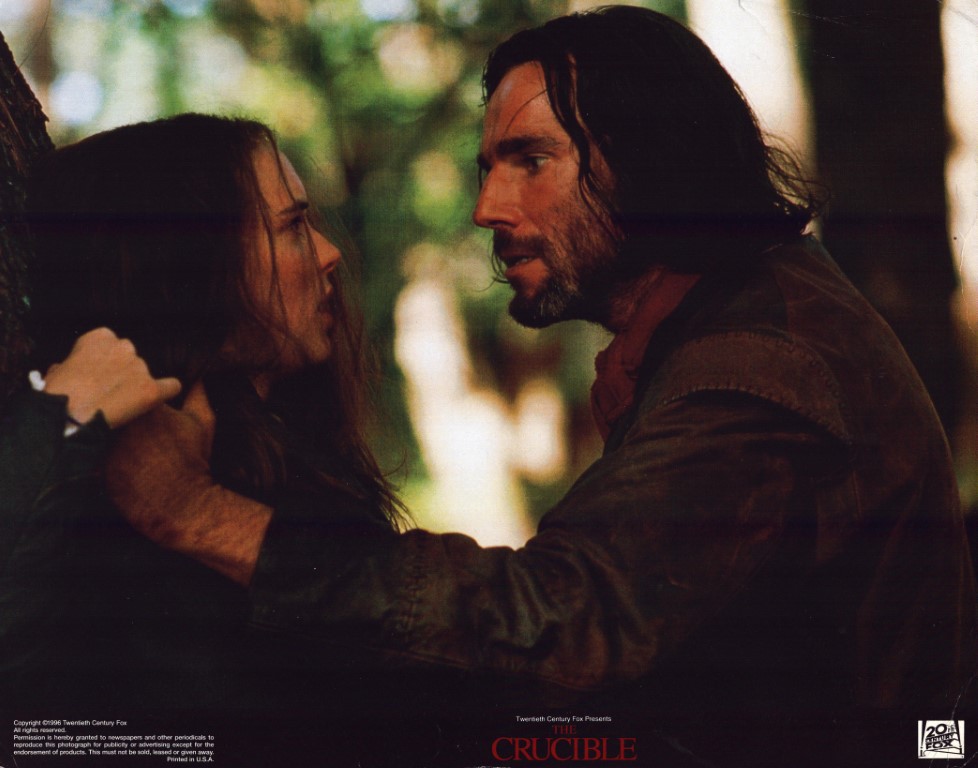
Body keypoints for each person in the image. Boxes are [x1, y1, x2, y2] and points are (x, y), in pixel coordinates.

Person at [106, 7, 977, 767]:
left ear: (655, 157)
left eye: (530, 160)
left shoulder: (753, 366)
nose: (487, 207)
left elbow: (563, 622)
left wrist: (197, 513)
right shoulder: (739, 313)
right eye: (489, 166)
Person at [1, 113, 404, 759]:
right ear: (189, 266)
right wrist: (56, 425)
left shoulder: (287, 470)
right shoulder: (119, 539)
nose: (329, 253)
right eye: (292, 227)